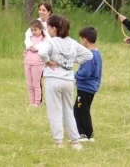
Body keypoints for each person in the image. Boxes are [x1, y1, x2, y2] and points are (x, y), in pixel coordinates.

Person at [37, 15, 93, 150]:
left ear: (54, 29)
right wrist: (71, 61)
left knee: (55, 111)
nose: (47, 30)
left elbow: (42, 53)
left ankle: (58, 142)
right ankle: (75, 142)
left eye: (48, 27)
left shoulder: (51, 42)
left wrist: (49, 62)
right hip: (68, 80)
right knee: (68, 110)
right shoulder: (72, 43)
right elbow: (88, 55)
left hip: (53, 79)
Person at [74, 26, 102, 142]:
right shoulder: (97, 53)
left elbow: (86, 72)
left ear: (85, 40)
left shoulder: (89, 55)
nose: (81, 42)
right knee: (81, 109)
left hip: (85, 88)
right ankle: (86, 133)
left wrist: (74, 75)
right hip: (90, 88)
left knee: (80, 110)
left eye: (81, 39)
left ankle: (84, 134)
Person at [24, 19, 46, 107]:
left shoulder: (44, 39)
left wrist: (35, 48)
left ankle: (37, 102)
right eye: (32, 30)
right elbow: (28, 47)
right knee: (29, 84)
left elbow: (43, 48)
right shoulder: (30, 38)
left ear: (41, 29)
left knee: (36, 83)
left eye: (35, 30)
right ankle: (31, 101)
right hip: (28, 61)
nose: (34, 32)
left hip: (37, 63)